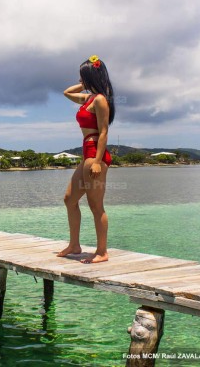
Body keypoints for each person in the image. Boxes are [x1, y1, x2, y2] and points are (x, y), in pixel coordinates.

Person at [57, 55, 116, 264]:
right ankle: (74, 244)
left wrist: (98, 161)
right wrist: (83, 83)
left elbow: (104, 132)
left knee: (95, 204)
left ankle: (102, 252)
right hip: (87, 153)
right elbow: (67, 92)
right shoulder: (88, 98)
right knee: (69, 199)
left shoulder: (100, 99)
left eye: (83, 76)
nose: (80, 80)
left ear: (91, 75)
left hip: (95, 153)